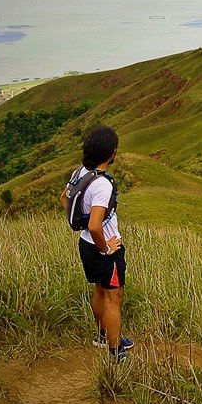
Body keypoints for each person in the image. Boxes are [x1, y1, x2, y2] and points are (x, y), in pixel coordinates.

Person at [61, 125, 134, 362]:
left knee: (100, 290)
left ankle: (103, 336)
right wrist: (107, 248)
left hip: (86, 245)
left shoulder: (79, 172)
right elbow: (95, 225)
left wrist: (84, 228)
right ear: (112, 153)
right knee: (114, 297)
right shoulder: (102, 184)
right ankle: (115, 351)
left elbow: (65, 198)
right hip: (102, 248)